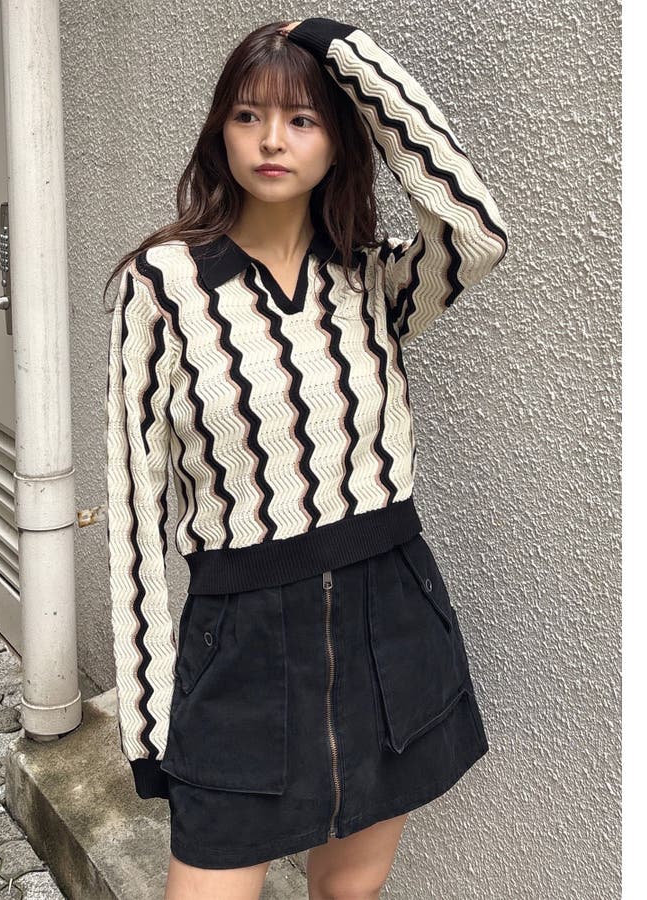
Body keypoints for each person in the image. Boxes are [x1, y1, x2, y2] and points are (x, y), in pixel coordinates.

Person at [103, 16, 509, 899]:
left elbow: (477, 231)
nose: (272, 141)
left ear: (337, 140)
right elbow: (133, 509)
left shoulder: (373, 281)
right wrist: (146, 715)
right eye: (248, 115)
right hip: (241, 644)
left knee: (348, 892)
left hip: (389, 620)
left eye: (302, 119)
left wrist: (341, 48)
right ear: (220, 131)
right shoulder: (162, 285)